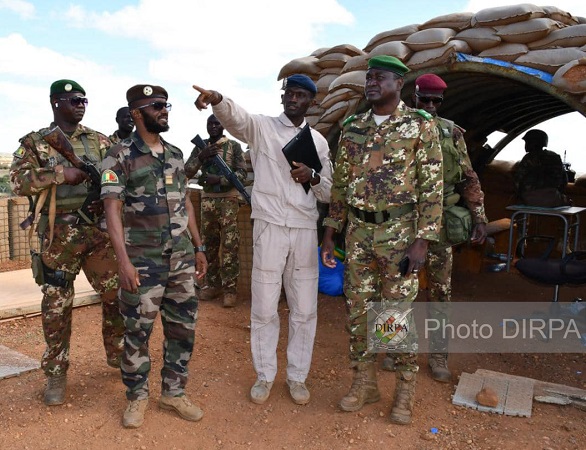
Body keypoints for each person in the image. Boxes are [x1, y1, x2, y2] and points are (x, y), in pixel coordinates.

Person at [193, 74, 333, 406]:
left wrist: (312, 177)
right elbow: (237, 118)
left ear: (310, 102)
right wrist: (217, 98)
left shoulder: (318, 142)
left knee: (304, 309)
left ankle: (297, 377)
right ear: (283, 97)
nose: (293, 99)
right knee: (265, 306)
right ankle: (265, 375)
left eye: (300, 95)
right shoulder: (263, 128)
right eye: (289, 93)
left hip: (302, 228)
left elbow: (328, 189)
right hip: (269, 226)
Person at [320, 56, 443, 425]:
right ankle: (364, 383)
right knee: (358, 312)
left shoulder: (419, 126)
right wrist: (330, 235)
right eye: (368, 77)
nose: (371, 82)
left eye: (379, 77)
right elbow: (340, 187)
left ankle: (404, 391)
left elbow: (431, 189)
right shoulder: (353, 126)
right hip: (358, 233)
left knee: (393, 315)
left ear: (398, 83)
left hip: (400, 235)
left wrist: (422, 241)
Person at [9, 79, 125, 406]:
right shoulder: (36, 143)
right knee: (57, 304)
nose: (81, 104)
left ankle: (118, 355)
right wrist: (61, 175)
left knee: (117, 293)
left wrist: (104, 192)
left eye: (84, 100)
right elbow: (19, 180)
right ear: (55, 102)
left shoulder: (100, 140)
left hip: (98, 230)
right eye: (74, 99)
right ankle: (56, 373)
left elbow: (120, 175)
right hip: (58, 234)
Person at [101, 84, 208, 428]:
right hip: (142, 260)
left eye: (166, 105)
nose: (165, 111)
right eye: (157, 106)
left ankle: (173, 392)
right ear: (137, 113)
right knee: (137, 332)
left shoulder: (175, 154)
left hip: (181, 258)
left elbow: (186, 202)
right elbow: (112, 210)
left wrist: (199, 245)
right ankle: (136, 397)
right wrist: (123, 261)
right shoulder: (118, 155)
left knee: (182, 329)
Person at [381, 73, 488, 382]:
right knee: (393, 289)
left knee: (441, 292)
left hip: (439, 222)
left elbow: (468, 176)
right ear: (412, 97)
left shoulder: (451, 133)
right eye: (423, 99)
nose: (428, 105)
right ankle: (392, 349)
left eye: (435, 101)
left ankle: (439, 357)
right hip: (402, 221)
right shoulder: (395, 129)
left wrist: (479, 217)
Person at [184, 114, 247, 307]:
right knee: (209, 245)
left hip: (228, 201)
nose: (213, 126)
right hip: (207, 201)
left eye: (217, 123)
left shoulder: (234, 146)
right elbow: (187, 171)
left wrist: (219, 180)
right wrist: (202, 156)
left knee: (230, 246)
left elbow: (242, 173)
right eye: (210, 123)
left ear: (223, 125)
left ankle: (230, 289)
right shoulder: (201, 146)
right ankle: (212, 285)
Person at [513, 129, 569, 207]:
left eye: (527, 142)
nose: (526, 145)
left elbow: (518, 180)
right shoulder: (554, 157)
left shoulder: (528, 158)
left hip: (529, 200)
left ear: (533, 143)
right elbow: (564, 180)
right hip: (553, 199)